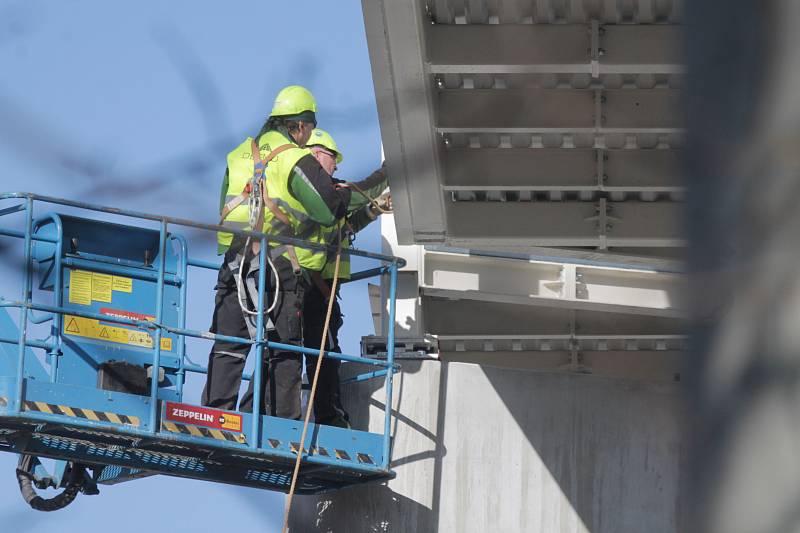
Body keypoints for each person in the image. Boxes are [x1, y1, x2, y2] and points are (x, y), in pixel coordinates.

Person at [201, 85, 352, 420]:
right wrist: (344, 199)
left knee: (229, 343)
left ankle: (214, 413)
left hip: (235, 259)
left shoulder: (238, 153)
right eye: (308, 129)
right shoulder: (293, 158)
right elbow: (327, 209)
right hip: (278, 264)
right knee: (284, 347)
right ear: (298, 125)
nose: (307, 136)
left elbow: (224, 204)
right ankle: (282, 425)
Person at [303, 128, 391, 427]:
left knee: (292, 352)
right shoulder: (317, 194)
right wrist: (390, 173)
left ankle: (264, 409)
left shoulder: (315, 196)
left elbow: (341, 230)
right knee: (320, 354)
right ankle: (329, 417)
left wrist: (372, 211)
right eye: (332, 157)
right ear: (316, 154)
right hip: (313, 287)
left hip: (321, 286)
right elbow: (356, 193)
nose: (336, 165)